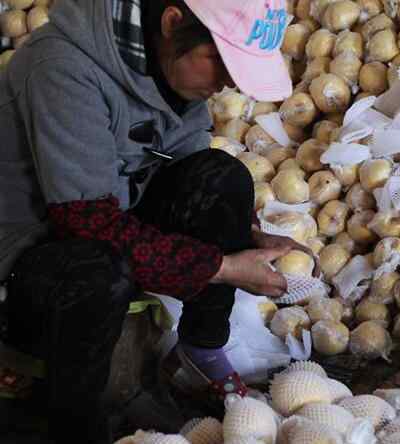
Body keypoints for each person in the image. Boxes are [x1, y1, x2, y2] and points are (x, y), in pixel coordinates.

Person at [0, 0, 299, 442]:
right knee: (99, 273)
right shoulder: (61, 68)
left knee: (222, 177)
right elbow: (87, 226)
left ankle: (201, 349)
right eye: (219, 60)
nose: (227, 82)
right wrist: (222, 268)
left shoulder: (167, 62)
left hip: (108, 220)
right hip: (32, 255)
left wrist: (246, 234)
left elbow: (189, 164)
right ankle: (71, 425)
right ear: (172, 22)